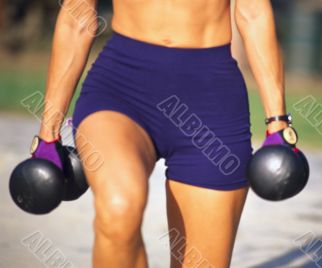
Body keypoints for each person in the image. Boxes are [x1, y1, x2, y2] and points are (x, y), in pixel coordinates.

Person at [36, 0, 288, 267]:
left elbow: (253, 11)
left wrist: (278, 123)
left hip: (211, 101)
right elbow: (78, 16)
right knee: (119, 209)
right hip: (121, 90)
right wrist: (48, 134)